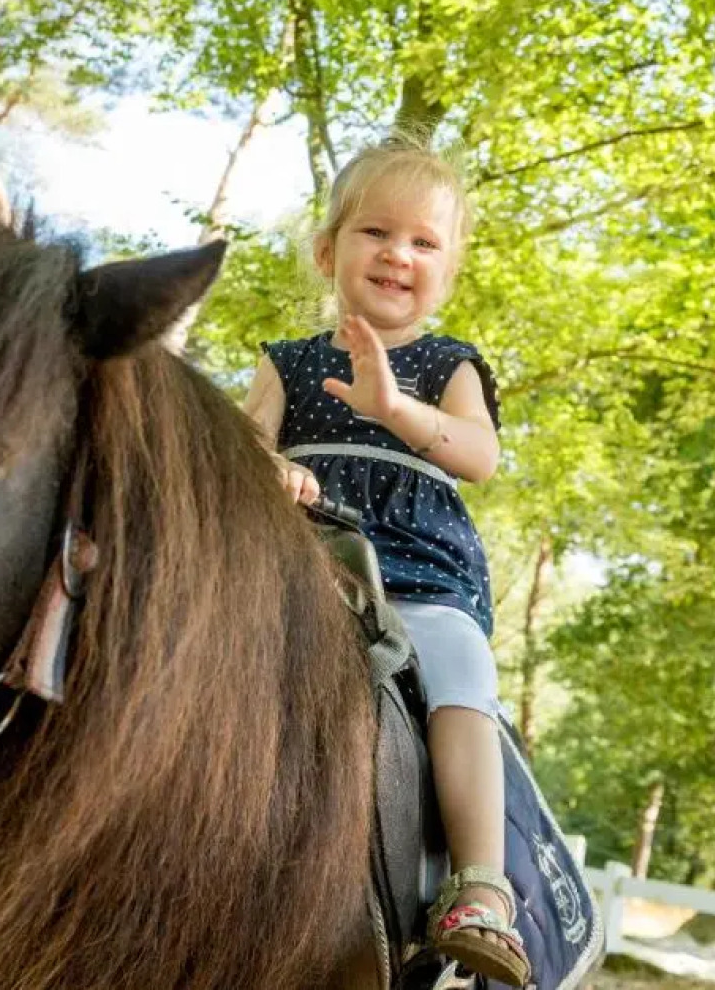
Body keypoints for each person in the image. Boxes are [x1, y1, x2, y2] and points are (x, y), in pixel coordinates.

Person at [242, 132, 529, 986]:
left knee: (457, 669)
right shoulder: (286, 363)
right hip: (304, 564)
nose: (397, 254)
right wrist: (273, 466)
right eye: (376, 232)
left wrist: (396, 408)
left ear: (447, 270)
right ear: (329, 249)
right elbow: (240, 448)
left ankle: (479, 887)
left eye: (423, 242)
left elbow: (478, 456)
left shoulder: (448, 363)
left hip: (421, 580)